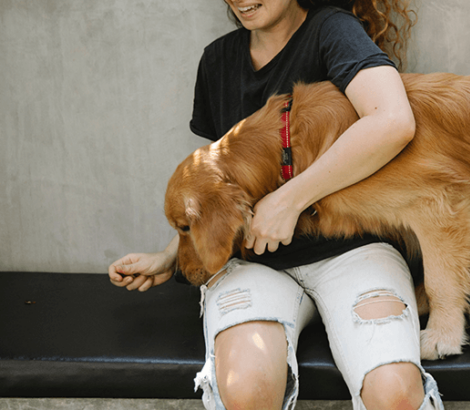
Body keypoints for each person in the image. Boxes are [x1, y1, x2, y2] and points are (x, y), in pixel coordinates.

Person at [108, 0, 444, 409]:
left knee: (395, 395)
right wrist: (172, 255)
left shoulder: (331, 31)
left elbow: (393, 121)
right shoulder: (218, 61)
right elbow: (219, 190)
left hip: (354, 251)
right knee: (246, 389)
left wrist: (288, 200)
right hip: (253, 265)